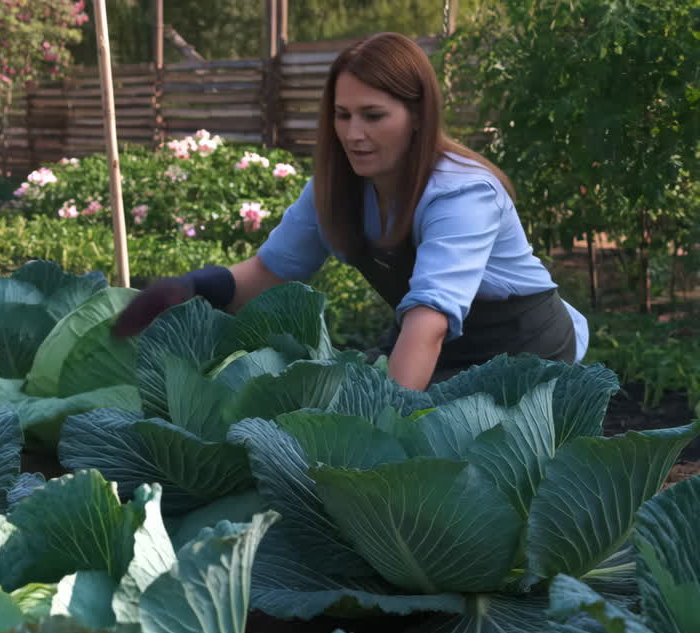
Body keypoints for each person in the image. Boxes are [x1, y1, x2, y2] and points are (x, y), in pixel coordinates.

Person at [112, 32, 587, 391]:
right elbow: (266, 273)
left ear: (418, 115)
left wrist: (385, 424)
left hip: (526, 347)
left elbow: (429, 322)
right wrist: (193, 288)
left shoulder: (462, 195)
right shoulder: (336, 189)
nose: (354, 133)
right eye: (343, 115)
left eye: (373, 115)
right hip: (437, 346)